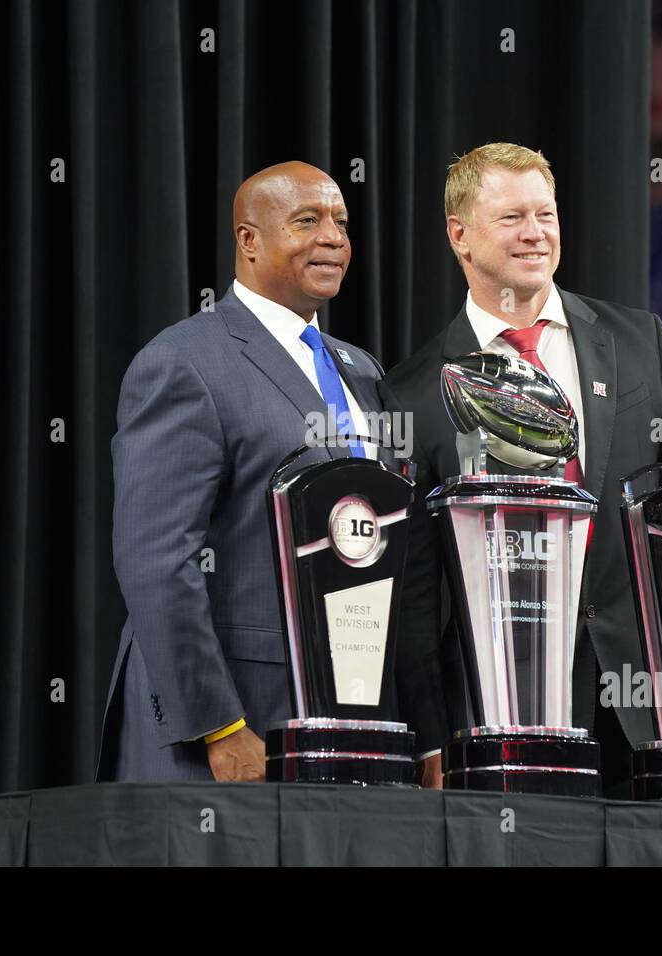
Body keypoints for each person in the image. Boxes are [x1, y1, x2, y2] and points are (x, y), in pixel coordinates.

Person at [380, 143, 662, 795]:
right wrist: (433, 737)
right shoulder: (412, 391)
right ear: (459, 234)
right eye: (512, 218)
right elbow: (415, 595)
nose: (535, 234)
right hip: (500, 717)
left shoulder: (641, 344)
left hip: (652, 706)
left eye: (546, 215)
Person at [97, 161, 439, 783]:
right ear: (249, 240)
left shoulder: (362, 371)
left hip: (348, 721)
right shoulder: (184, 362)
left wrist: (421, 730)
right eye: (307, 221)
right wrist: (220, 725)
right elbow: (156, 557)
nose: (333, 237)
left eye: (339, 221)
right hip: (231, 730)